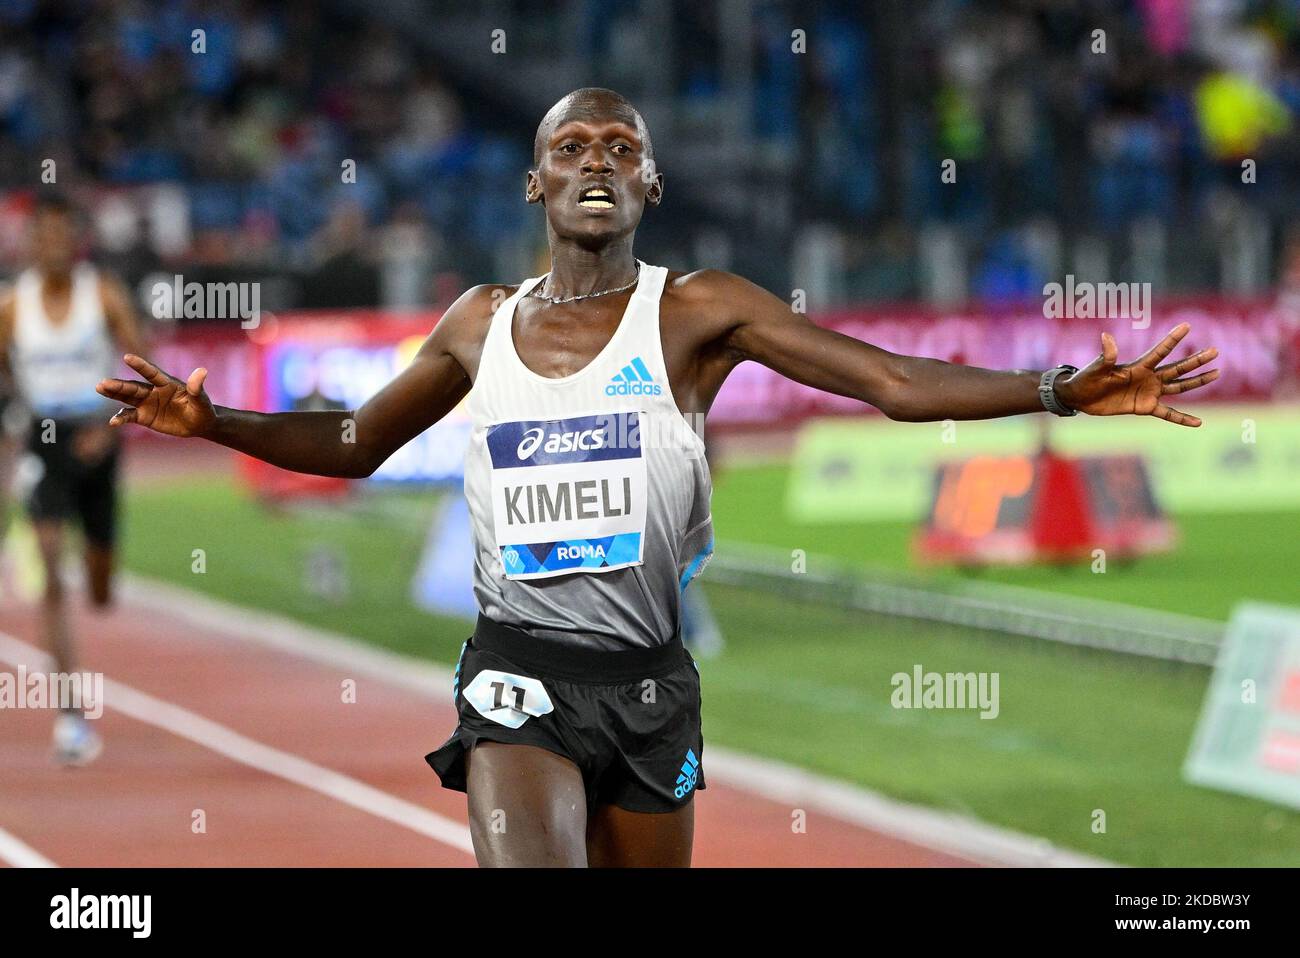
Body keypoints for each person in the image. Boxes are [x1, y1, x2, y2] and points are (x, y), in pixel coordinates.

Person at [97, 88, 1220, 866]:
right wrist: (214, 420)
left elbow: (887, 379)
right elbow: (352, 442)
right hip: (516, 675)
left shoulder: (696, 310)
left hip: (648, 685)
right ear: (537, 183)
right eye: (574, 147)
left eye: (621, 148)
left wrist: (1056, 391)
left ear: (652, 182)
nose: (597, 162)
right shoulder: (475, 324)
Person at [0, 193, 148, 765]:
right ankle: (71, 718)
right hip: (44, 438)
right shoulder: (15, 306)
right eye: (45, 236)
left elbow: (144, 366)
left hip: (97, 435)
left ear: (77, 242)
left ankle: (102, 572)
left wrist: (112, 428)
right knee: (50, 565)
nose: (54, 246)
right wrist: (18, 414)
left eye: (64, 236)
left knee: (100, 584)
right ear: (31, 243)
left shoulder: (102, 294)